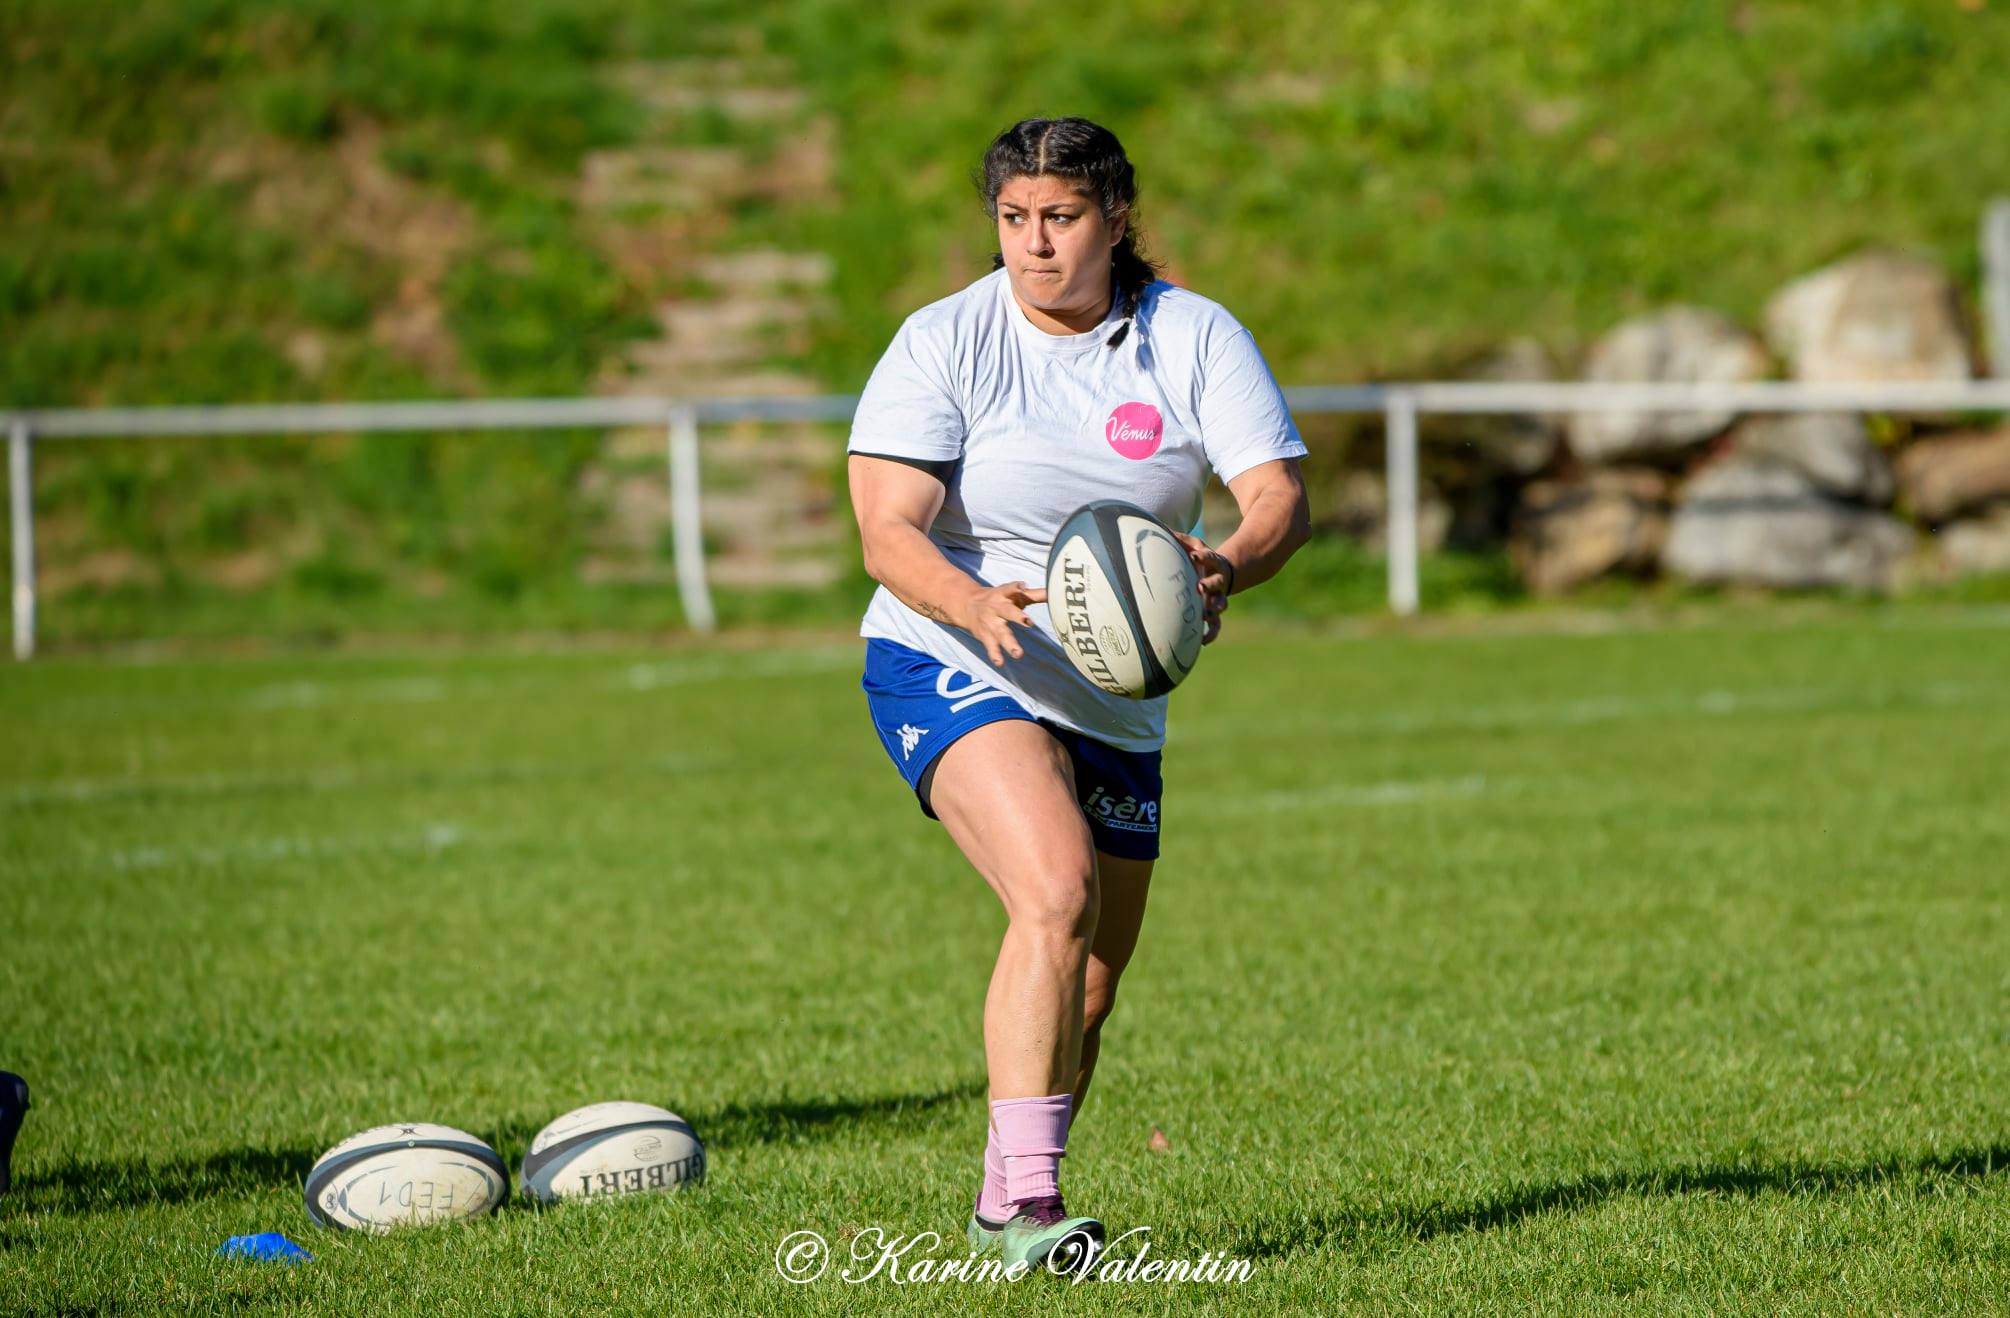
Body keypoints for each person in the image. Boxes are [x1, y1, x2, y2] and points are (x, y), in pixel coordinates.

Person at [847, 116, 1310, 1273]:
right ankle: (1030, 1213)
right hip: (952, 655)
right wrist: (967, 603)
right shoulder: (944, 339)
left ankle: (997, 1201)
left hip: (1117, 696)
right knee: (1052, 893)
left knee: (1091, 984)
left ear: (1114, 219)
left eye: (1060, 218)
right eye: (1014, 219)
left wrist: (1226, 562)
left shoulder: (1190, 336)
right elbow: (886, 532)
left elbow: (1276, 499)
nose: (1035, 246)